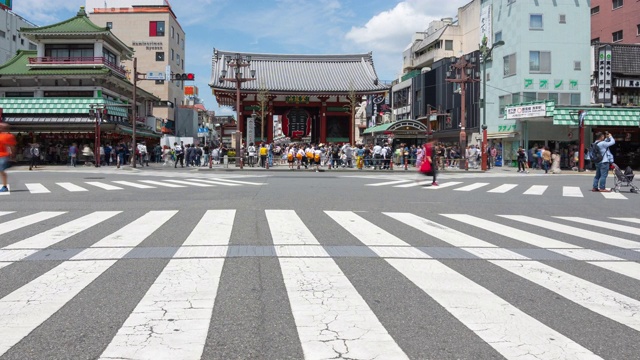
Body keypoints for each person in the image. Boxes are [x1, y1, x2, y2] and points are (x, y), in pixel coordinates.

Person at [0, 123, 17, 193]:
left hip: (3, 156)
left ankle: (4, 186)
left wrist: (12, 155)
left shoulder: (8, 136)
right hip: (3, 156)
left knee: (1, 171)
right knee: (1, 171)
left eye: (1, 126)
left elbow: (12, 147)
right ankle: (4, 186)